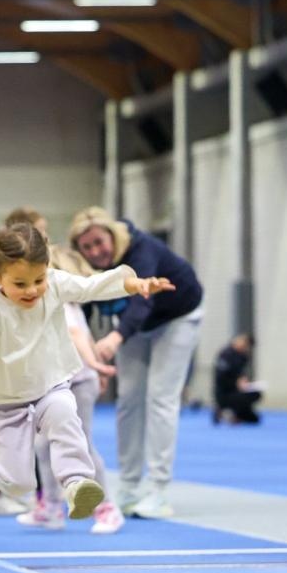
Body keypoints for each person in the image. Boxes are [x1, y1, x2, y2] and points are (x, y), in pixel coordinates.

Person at [0, 223, 172, 521]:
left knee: (65, 414)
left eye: (38, 279)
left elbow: (90, 286)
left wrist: (133, 285)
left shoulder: (53, 283)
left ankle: (77, 483)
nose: (32, 290)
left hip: (49, 383)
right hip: (6, 400)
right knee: (20, 484)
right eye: (20, 284)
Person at [69, 207, 204, 521]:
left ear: (112, 236)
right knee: (128, 400)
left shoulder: (141, 251)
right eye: (86, 247)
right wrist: (89, 357)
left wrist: (115, 339)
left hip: (177, 317)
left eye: (99, 243)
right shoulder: (88, 267)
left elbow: (141, 302)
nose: (95, 252)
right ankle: (128, 486)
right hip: (137, 327)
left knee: (160, 398)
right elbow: (83, 311)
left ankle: (159, 490)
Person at [19, 247, 125, 533]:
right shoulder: (39, 306)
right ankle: (51, 507)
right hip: (50, 386)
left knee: (81, 446)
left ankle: (107, 509)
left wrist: (93, 365)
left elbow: (77, 335)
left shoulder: (63, 305)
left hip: (77, 382)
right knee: (42, 446)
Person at [213, 333, 262, 425]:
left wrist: (245, 382)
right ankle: (223, 409)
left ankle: (237, 413)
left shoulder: (243, 357)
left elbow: (241, 374)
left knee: (254, 418)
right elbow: (221, 379)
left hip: (238, 390)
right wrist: (236, 383)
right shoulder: (225, 354)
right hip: (225, 392)